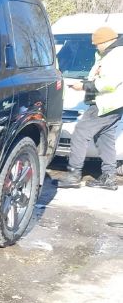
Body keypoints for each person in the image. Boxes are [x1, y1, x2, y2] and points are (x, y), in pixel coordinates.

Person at [58, 25, 123, 190]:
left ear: (106, 41)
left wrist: (85, 86)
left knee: (80, 132)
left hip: (104, 104)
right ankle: (109, 178)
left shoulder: (116, 56)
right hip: (112, 105)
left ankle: (73, 175)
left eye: (97, 43)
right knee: (104, 138)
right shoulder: (109, 54)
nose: (95, 46)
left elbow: (109, 83)